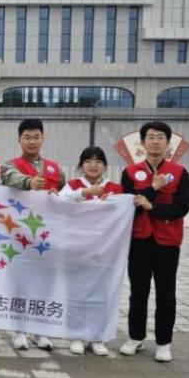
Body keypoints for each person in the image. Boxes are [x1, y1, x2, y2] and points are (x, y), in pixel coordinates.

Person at [119, 121, 189, 363]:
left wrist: (152, 206)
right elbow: (128, 204)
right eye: (150, 137)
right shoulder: (130, 172)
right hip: (139, 239)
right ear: (142, 143)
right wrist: (153, 188)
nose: (155, 141)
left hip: (167, 241)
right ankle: (135, 337)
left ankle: (163, 343)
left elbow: (182, 207)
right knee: (138, 292)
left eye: (160, 137)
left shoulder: (179, 173)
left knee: (166, 293)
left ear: (168, 143)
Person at [0, 118, 65, 353]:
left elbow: (65, 196)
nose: (32, 141)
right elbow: (11, 179)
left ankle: (40, 330)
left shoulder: (55, 169)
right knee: (21, 283)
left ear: (43, 138)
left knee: (44, 283)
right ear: (19, 140)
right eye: (27, 137)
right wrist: (29, 183)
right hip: (19, 236)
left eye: (36, 137)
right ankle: (19, 330)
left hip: (47, 237)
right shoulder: (10, 165)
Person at [58, 146, 124, 356]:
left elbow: (124, 210)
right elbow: (59, 202)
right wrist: (84, 193)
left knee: (101, 294)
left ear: (105, 165)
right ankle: (76, 336)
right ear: (81, 165)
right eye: (88, 161)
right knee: (76, 293)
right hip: (77, 249)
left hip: (105, 251)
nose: (93, 165)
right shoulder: (73, 185)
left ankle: (97, 337)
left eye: (98, 161)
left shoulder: (115, 188)